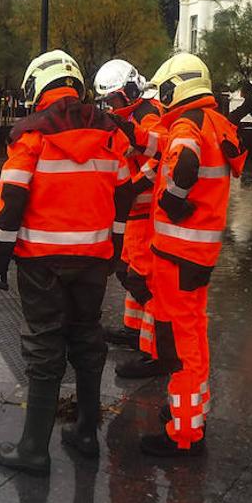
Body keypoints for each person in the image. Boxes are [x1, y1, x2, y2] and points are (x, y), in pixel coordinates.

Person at [0, 50, 135, 475]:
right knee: (88, 340)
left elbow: (12, 199)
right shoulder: (112, 132)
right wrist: (115, 247)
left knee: (44, 345)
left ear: (38, 86)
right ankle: (87, 432)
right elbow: (125, 193)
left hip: (41, 262)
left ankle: (34, 447)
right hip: (93, 258)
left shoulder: (30, 135)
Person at [126, 53, 246, 458]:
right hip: (198, 251)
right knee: (192, 334)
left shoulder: (187, 124)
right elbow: (173, 149)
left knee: (182, 346)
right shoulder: (212, 121)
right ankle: (189, 413)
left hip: (179, 252)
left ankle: (184, 434)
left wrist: (173, 199)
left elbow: (185, 162)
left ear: (177, 86)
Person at [91, 59, 168, 374]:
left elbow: (159, 155)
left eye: (115, 99)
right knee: (130, 270)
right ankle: (135, 330)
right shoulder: (131, 116)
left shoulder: (147, 116)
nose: (112, 106)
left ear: (132, 91)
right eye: (108, 101)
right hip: (135, 211)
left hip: (146, 210)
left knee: (139, 278)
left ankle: (156, 349)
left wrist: (131, 188)